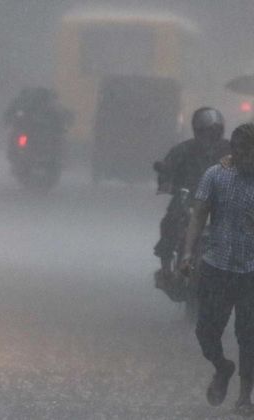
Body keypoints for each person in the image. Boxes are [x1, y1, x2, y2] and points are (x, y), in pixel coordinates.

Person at [180, 123, 254, 414]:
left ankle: (245, 396)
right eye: (243, 152)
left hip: (251, 272)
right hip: (217, 266)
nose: (248, 158)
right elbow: (199, 215)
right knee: (206, 332)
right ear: (233, 152)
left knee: (248, 335)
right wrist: (187, 253)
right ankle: (222, 366)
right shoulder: (216, 175)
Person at [155, 107, 231, 277]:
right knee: (171, 220)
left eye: (215, 132)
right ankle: (166, 267)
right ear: (198, 130)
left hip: (222, 202)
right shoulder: (183, 150)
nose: (210, 136)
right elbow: (168, 168)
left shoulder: (232, 150)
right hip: (188, 198)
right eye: (206, 132)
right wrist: (166, 182)